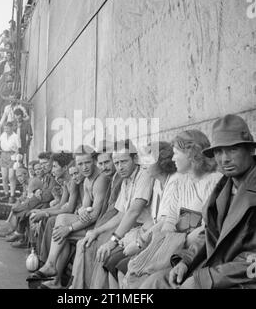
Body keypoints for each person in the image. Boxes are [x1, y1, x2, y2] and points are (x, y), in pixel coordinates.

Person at [140, 114, 256, 289]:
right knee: (154, 283)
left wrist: (205, 279)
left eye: (233, 149)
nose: (224, 159)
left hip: (242, 278)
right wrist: (186, 261)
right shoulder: (224, 186)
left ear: (250, 150)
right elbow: (210, 232)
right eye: (218, 151)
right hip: (215, 267)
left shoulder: (222, 182)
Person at [121, 130, 221, 288]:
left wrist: (175, 243)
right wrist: (163, 245)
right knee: (134, 274)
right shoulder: (182, 181)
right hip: (176, 246)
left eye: (176, 153)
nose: (173, 158)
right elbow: (170, 220)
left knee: (150, 282)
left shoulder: (213, 181)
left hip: (198, 252)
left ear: (191, 153)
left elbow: (209, 228)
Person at [29, 145, 110, 289]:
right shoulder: (86, 180)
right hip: (91, 222)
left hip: (101, 226)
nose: (84, 167)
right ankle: (52, 271)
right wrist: (82, 212)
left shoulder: (100, 179)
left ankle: (52, 269)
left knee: (63, 227)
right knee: (62, 223)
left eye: (87, 162)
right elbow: (83, 211)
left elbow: (95, 215)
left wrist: (70, 228)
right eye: (80, 164)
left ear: (94, 161)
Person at [88, 139, 154, 289]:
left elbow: (133, 211)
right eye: (116, 163)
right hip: (133, 230)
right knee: (105, 254)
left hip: (146, 231)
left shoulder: (143, 175)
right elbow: (120, 214)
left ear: (135, 159)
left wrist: (113, 241)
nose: (119, 167)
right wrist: (97, 230)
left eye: (123, 161)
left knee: (110, 258)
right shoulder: (126, 180)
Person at [71, 140, 123, 289]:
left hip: (117, 225)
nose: (104, 167)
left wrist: (96, 230)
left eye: (108, 162)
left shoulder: (112, 179)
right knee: (85, 243)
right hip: (107, 221)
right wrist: (81, 210)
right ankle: (77, 285)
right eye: (101, 163)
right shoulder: (112, 178)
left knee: (92, 245)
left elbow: (120, 213)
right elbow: (88, 208)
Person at [0, 122, 19, 203]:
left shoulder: (15, 136)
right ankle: (6, 194)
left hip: (12, 154)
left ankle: (12, 195)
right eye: (5, 128)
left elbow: (18, 148)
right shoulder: (3, 135)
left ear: (12, 128)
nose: (6, 130)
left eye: (7, 128)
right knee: (4, 177)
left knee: (11, 176)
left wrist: (16, 158)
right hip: (4, 154)